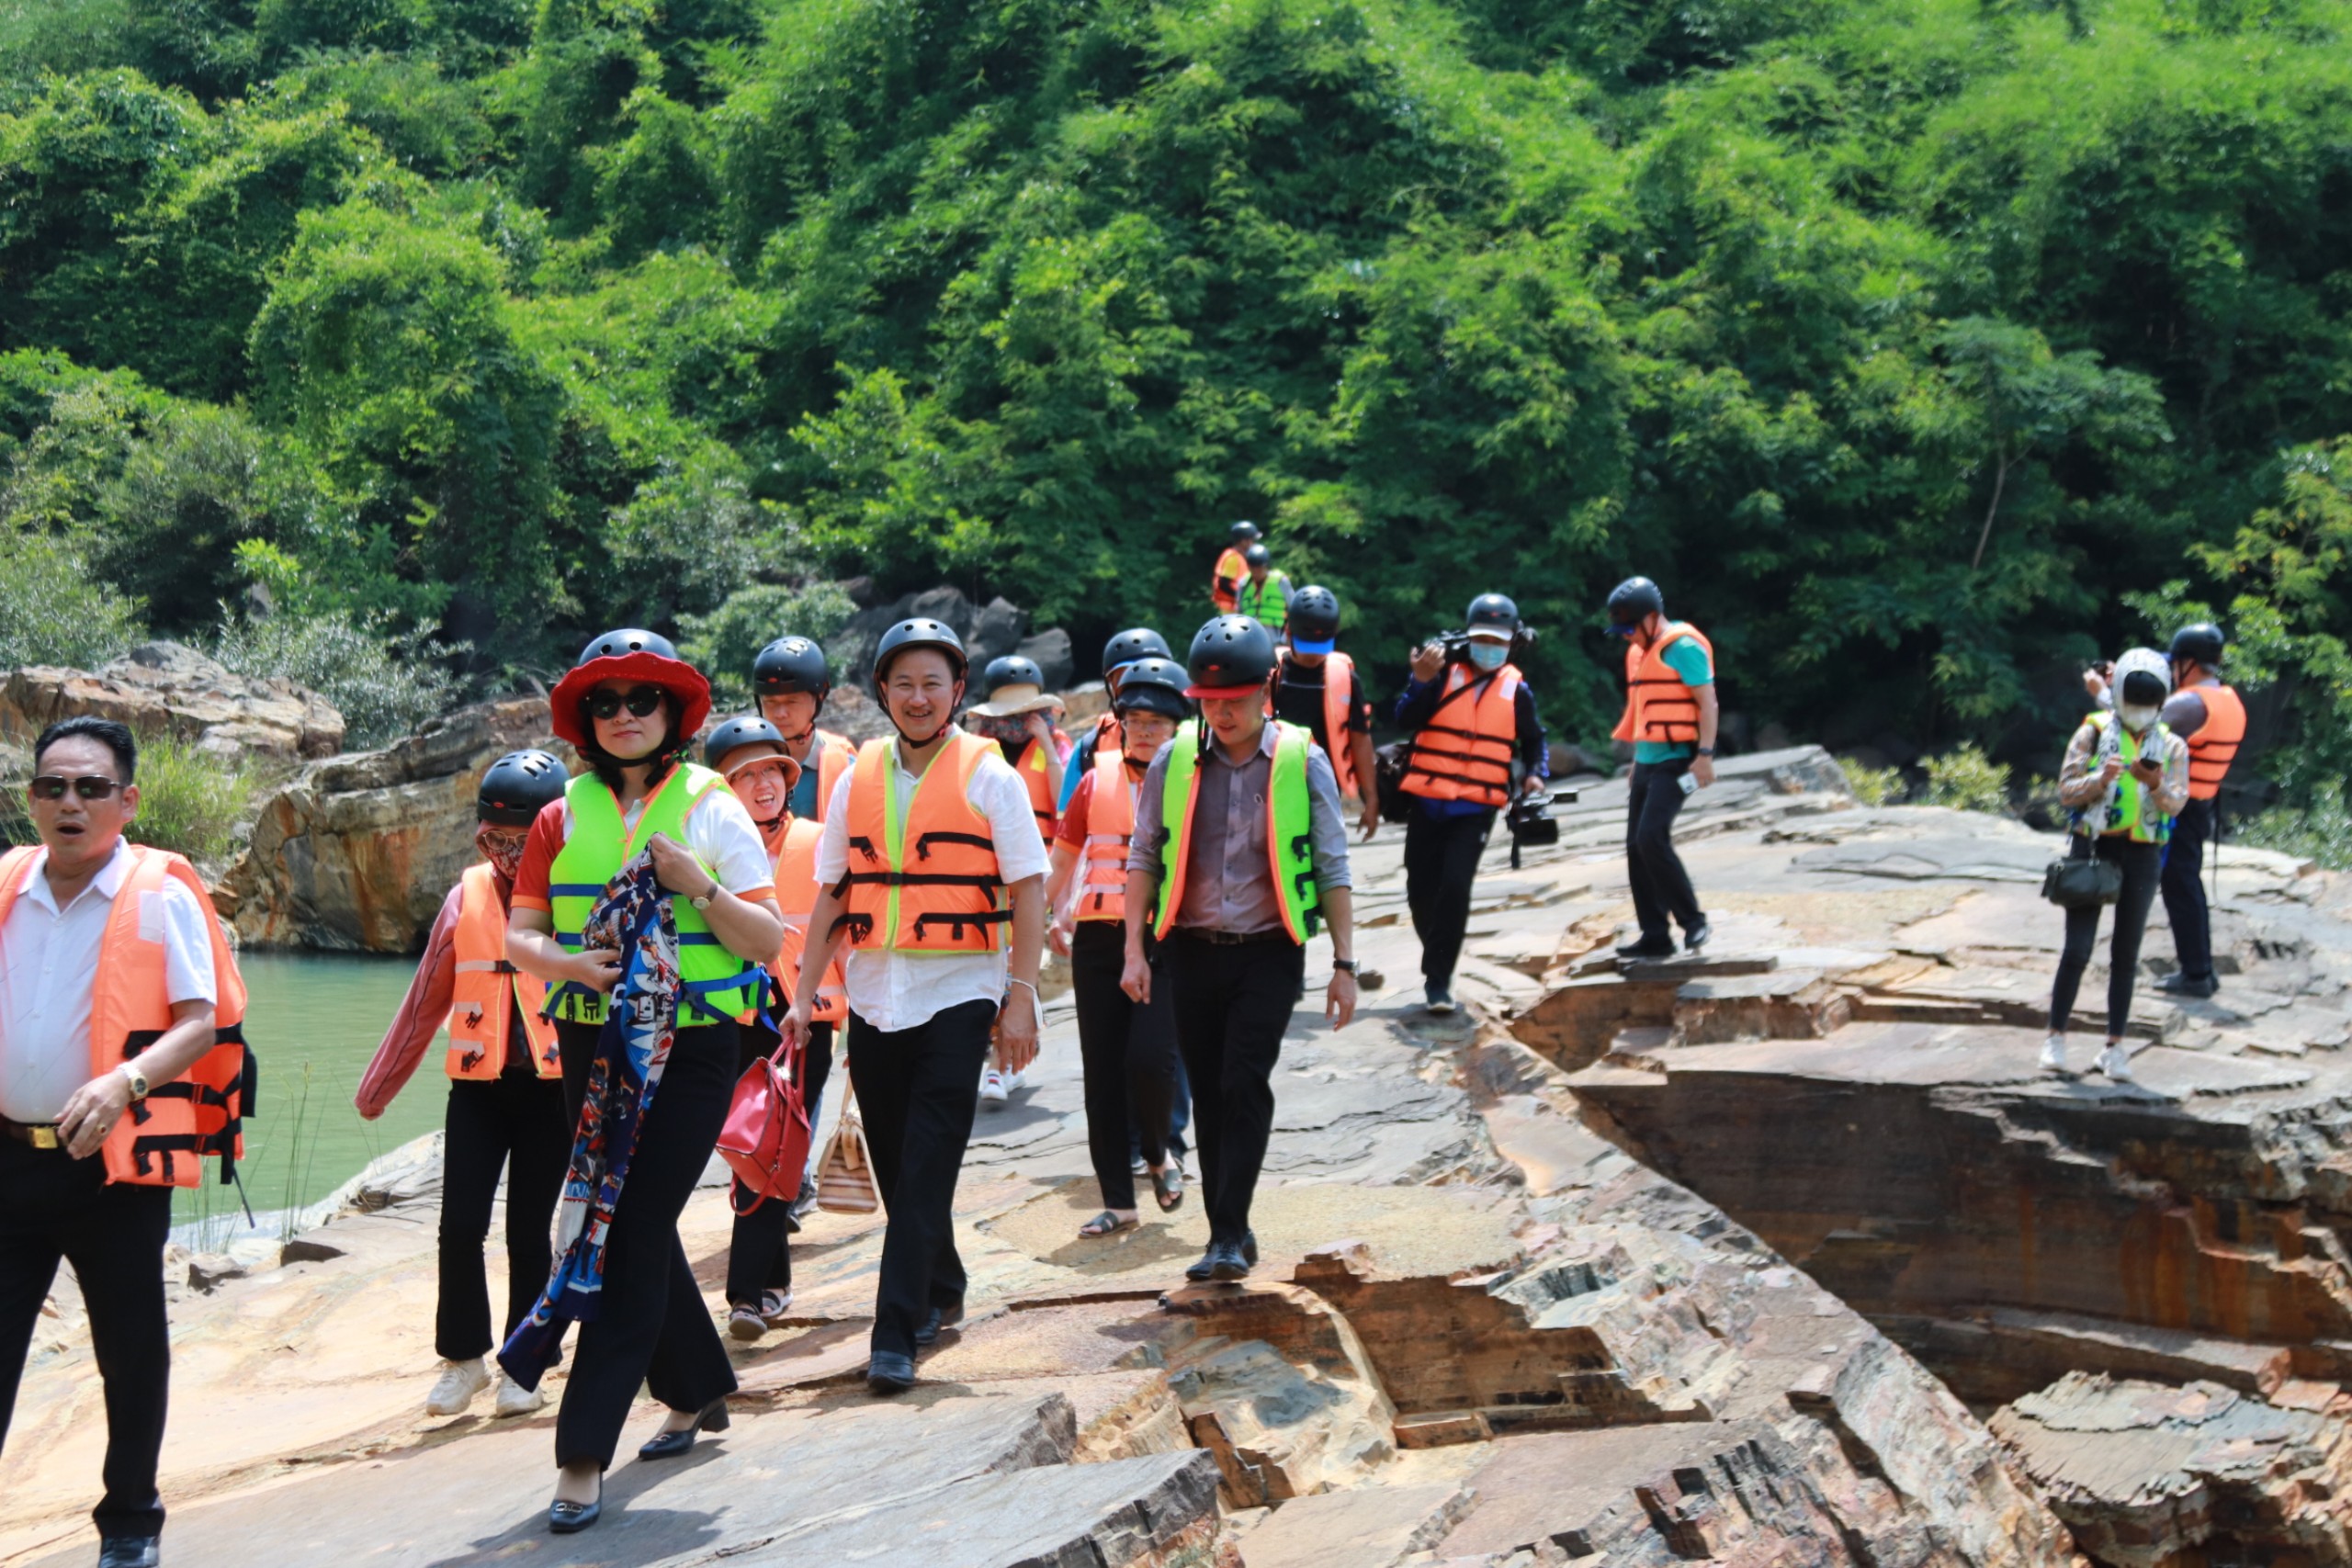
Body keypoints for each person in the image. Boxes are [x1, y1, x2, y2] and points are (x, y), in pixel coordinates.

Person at [503, 630, 785, 1534]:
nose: (624, 715)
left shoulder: (712, 805)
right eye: (606, 703)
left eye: (642, 700)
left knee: (625, 1231)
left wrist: (696, 885)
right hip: (591, 1043)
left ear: (672, 716)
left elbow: (766, 941)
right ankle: (697, 1388)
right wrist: (570, 968)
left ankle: (581, 1451)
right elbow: (522, 935)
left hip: (697, 1045)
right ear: (587, 721)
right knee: (635, 1224)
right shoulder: (558, 815)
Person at [0, 716, 253, 1568]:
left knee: (129, 1346)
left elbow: (202, 1021)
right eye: (52, 787)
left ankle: (132, 1522)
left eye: (90, 787)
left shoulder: (159, 895)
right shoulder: (5, 885)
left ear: (127, 799)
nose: (69, 803)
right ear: (30, 797)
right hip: (7, 1156)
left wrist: (123, 1083)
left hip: (110, 1163)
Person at [777, 618, 1048, 1395]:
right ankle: (943, 1282)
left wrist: (1019, 999)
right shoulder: (856, 774)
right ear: (883, 694)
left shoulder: (989, 775)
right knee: (901, 1166)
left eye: (933, 682)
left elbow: (1028, 888)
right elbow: (835, 892)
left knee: (929, 1162)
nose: (919, 697)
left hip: (960, 991)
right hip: (874, 997)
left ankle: (894, 1328)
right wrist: (804, 992)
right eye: (903, 683)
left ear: (958, 691)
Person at [1125, 615, 1358, 1284]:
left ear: (1269, 690)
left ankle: (1227, 1232)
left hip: (1268, 952)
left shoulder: (1300, 759)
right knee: (1207, 1091)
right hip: (1191, 951)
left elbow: (1334, 865)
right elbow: (1144, 854)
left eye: (1237, 699)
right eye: (1210, 701)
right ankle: (1231, 1227)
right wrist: (1134, 950)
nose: (1223, 713)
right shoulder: (1174, 760)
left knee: (1241, 1081)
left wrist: (1344, 964)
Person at [356, 749, 572, 1422]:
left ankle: (525, 1362)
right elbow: (424, 1002)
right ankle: (464, 1359)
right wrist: (378, 1087)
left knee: (531, 1232)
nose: (511, 854)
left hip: (550, 1088)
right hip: (478, 1090)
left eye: (525, 840)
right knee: (458, 1226)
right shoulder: (465, 898)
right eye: (498, 840)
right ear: (483, 837)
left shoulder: (578, 894)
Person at [700, 715, 845, 1341]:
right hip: (725, 1020)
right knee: (752, 1153)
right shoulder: (702, 848)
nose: (763, 785)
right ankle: (770, 1282)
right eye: (746, 775)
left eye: (773, 772)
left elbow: (849, 931)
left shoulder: (818, 841)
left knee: (771, 1149)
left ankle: (749, 1294)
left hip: (801, 1022)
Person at [1045, 657, 1188, 1237]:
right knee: (1102, 1073)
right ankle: (1119, 1202)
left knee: (1150, 1062)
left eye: (1157, 721)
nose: (1145, 729)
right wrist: (1045, 918)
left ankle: (1157, 1151)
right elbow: (1063, 859)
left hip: (1166, 938)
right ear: (1120, 722)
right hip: (1098, 940)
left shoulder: (1195, 781)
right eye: (1135, 719)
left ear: (1178, 725)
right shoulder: (1093, 779)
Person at [1392, 593, 1549, 1012]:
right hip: (1428, 801)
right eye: (1482, 638)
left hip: (1476, 809)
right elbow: (1405, 718)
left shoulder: (1517, 691)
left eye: (1498, 641)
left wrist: (1536, 773)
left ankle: (1438, 981)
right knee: (1420, 888)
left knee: (1456, 886)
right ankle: (1439, 954)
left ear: (1512, 642)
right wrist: (1420, 680)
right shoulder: (1441, 674)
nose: (1490, 647)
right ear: (1468, 636)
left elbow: (1535, 740)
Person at [2043, 648, 2190, 1083]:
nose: (2140, 710)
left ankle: (2115, 1047)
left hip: (2142, 854)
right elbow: (2067, 790)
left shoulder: (2173, 745)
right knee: (2078, 949)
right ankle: (2055, 1037)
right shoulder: (2092, 732)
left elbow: (2178, 803)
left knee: (2126, 954)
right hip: (2092, 848)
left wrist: (2156, 783)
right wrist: (2100, 780)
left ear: (2162, 702)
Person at [963, 654, 1068, 1104]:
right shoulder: (979, 749)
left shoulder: (1057, 745)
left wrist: (1044, 741)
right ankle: (1008, 1058)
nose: (1017, 724)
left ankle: (998, 1065)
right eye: (1008, 717)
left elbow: (1067, 802)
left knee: (1015, 965)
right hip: (984, 879)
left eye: (1025, 715)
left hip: (1034, 876)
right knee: (996, 966)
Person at [1603, 576, 1716, 962]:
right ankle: (1655, 934)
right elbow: (1644, 711)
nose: (1625, 637)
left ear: (1651, 618)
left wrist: (1705, 755)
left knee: (1652, 837)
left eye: (1629, 628)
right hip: (1648, 760)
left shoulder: (1683, 648)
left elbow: (1708, 704)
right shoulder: (1639, 651)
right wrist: (1636, 760)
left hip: (1679, 758)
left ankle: (1694, 921)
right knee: (1636, 846)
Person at [2158, 623, 2244, 998]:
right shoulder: (2228, 698)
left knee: (2180, 886)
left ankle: (2196, 974)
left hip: (2180, 806)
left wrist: (2102, 694)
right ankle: (2201, 970)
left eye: (2175, 663)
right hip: (2203, 804)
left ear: (2188, 663)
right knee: (2187, 885)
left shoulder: (2189, 702)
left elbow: (2134, 727)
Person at [1272, 585, 1378, 840]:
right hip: (1273, 786)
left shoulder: (1345, 678)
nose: (1314, 655)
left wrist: (1371, 798)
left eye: (1321, 646)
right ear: (1289, 633)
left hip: (1324, 790)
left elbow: (1360, 739)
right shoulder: (1271, 673)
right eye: (1307, 644)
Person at [1056, 626, 1174, 818]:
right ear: (1110, 687)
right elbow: (1067, 829)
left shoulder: (1195, 741)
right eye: (1125, 679)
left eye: (1149, 675)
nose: (1138, 689)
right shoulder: (1088, 749)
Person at [754, 635, 856, 823]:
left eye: (792, 701)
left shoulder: (847, 768)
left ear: (819, 697)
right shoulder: (744, 765)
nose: (780, 713)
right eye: (770, 702)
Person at [1234, 544, 1293, 629]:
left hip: (1277, 635)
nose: (1256, 571)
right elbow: (1238, 612)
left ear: (1266, 566)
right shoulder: (1243, 584)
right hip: (1251, 634)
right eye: (1252, 567)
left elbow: (1293, 607)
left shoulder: (1281, 581)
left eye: (1259, 567)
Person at [1211, 521, 1260, 613]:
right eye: (1252, 539)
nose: (1253, 543)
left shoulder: (1241, 556)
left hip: (1237, 606)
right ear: (1243, 541)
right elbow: (1224, 584)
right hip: (1230, 608)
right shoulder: (1232, 558)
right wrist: (1241, 597)